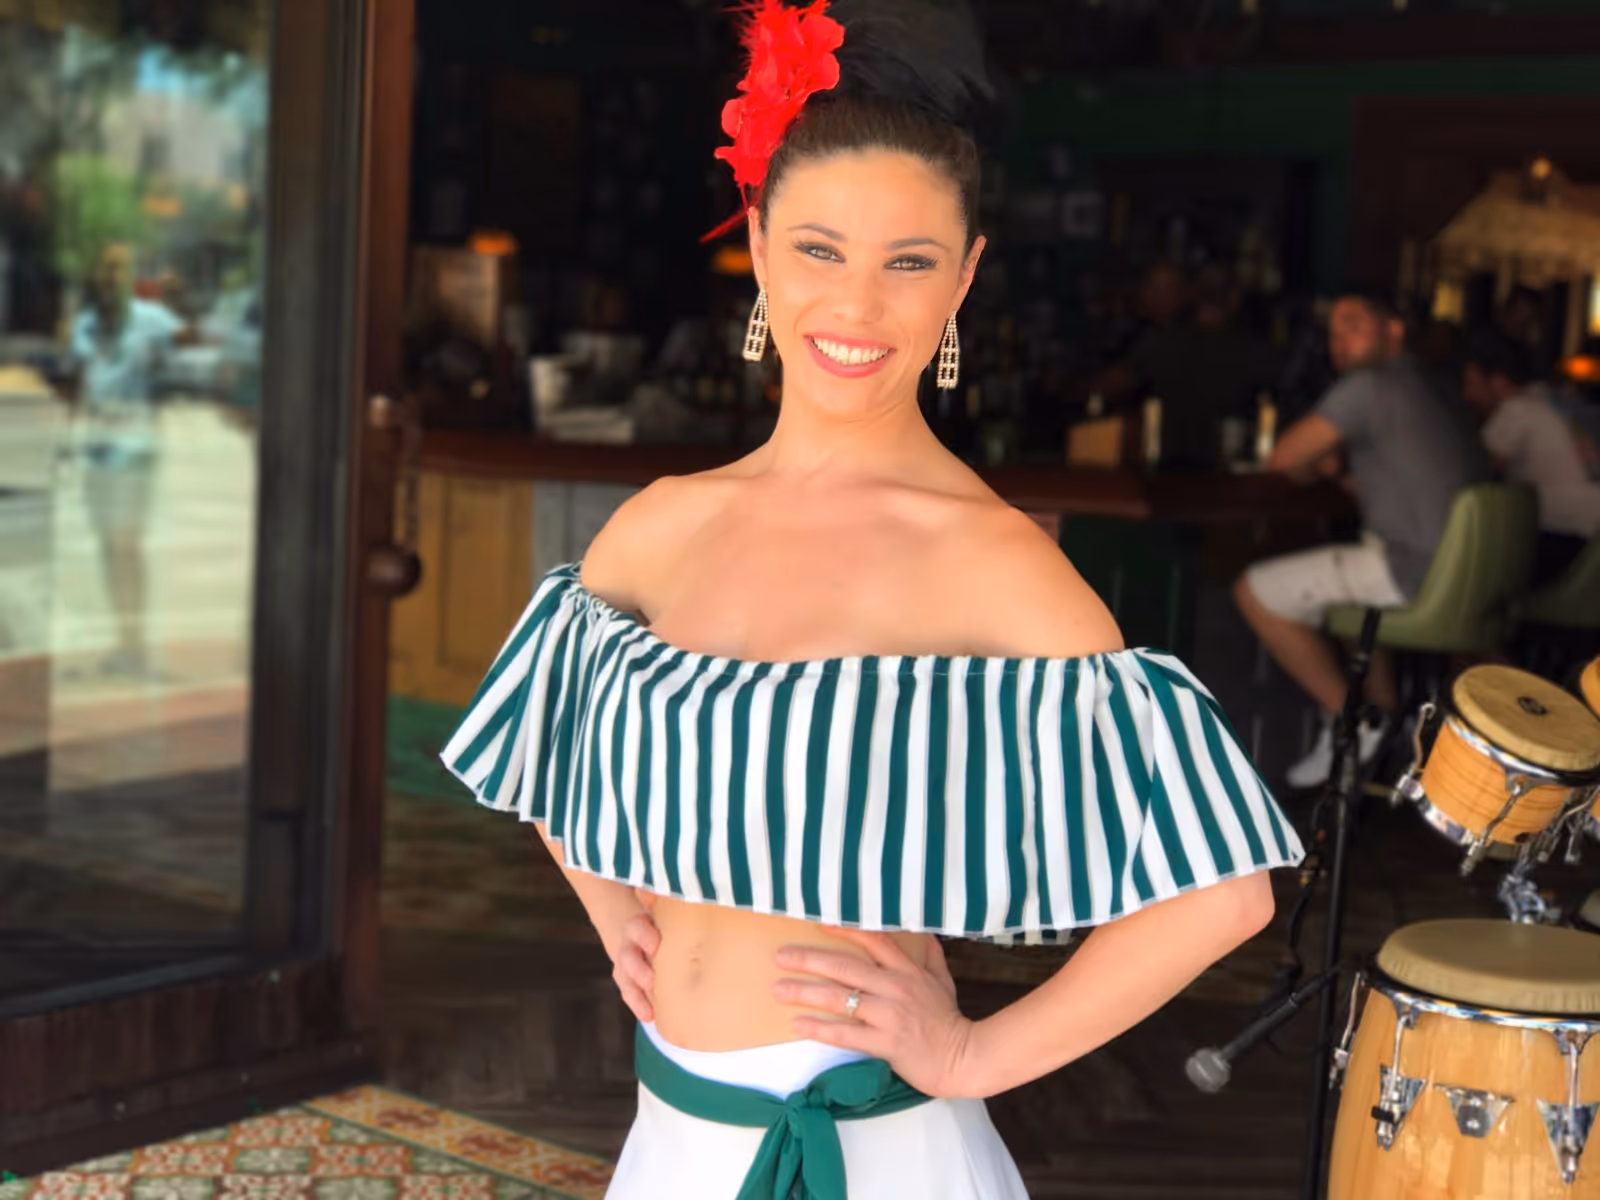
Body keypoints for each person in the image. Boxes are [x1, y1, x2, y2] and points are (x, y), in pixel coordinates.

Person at [442, 3, 1303, 1195]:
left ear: (964, 278)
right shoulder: (662, 522)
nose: (855, 308)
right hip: (672, 1134)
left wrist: (973, 1051)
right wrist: (615, 919)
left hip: (876, 1146)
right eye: (818, 250)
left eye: (907, 262)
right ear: (755, 238)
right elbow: (542, 746)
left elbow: (1225, 894)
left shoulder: (991, 559)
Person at [1234, 295, 1491, 790]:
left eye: (1353, 326)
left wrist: (1315, 463)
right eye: (1333, 332)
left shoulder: (1367, 386)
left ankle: (1353, 721)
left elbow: (1284, 457)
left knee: (1254, 592)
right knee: (1352, 595)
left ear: (1394, 328)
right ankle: (1384, 717)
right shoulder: (1437, 385)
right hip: (1468, 575)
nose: (1339, 341)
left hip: (1413, 567)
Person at [69, 243, 185, 678]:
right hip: (97, 449)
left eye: (119, 269)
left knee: (125, 542)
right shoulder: (85, 326)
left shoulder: (153, 321)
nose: (111, 277)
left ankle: (136, 644)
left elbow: (188, 356)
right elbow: (80, 384)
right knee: (107, 546)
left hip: (135, 447)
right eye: (105, 269)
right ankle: (124, 640)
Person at [1100, 263, 1281, 469]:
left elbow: (1110, 385)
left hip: (1167, 472)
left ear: (1192, 295)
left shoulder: (1163, 342)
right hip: (1226, 472)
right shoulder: (1257, 351)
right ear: (1234, 299)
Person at [1462, 331, 1600, 584]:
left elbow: (1471, 473)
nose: (1466, 394)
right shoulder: (1553, 397)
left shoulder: (1517, 409)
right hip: (1589, 537)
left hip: (1567, 540)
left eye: (1470, 382)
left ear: (1498, 381)